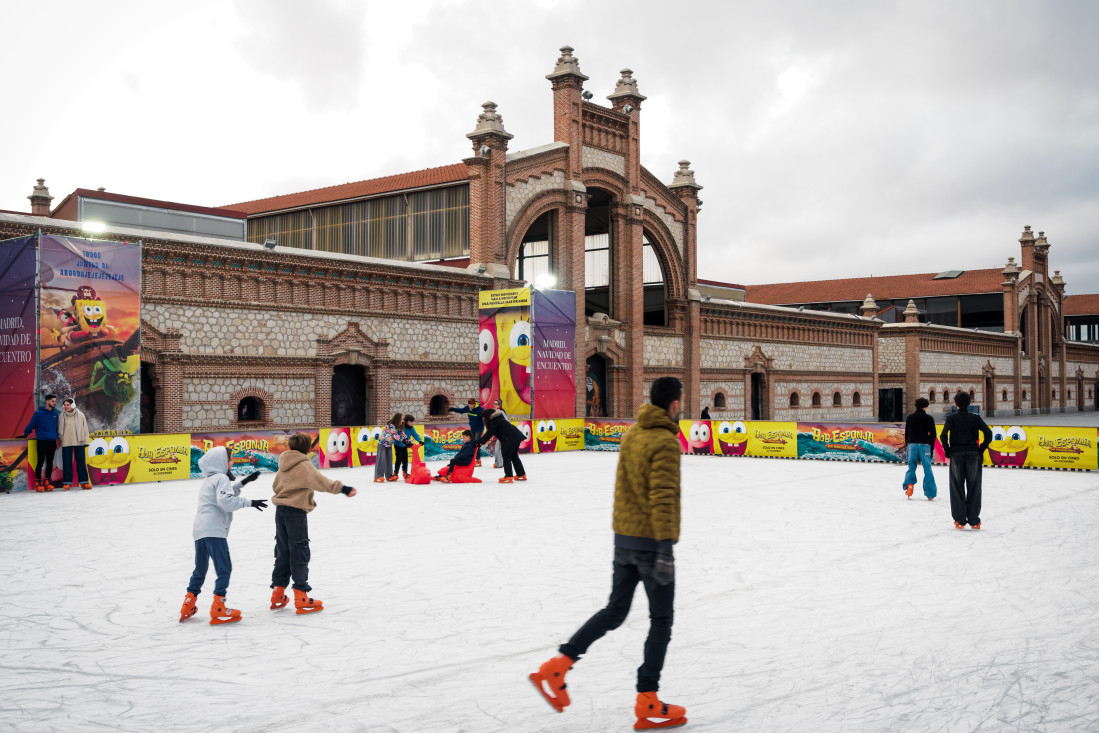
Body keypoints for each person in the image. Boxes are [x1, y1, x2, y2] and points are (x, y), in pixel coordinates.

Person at [530, 376, 687, 730]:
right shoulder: (665, 441)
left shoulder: (633, 433)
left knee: (614, 611)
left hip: (624, 540)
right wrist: (664, 548)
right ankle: (648, 698)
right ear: (674, 404)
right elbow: (662, 496)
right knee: (661, 620)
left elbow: (624, 487)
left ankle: (557, 667)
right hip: (651, 545)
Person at [270, 432, 357, 614]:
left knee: (283, 551)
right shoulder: (304, 465)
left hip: (280, 511)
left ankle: (278, 592)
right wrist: (343, 489)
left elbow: (276, 486)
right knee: (299, 551)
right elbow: (322, 482)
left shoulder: (283, 464)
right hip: (295, 513)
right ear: (308, 448)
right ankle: (301, 595)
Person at [178, 446, 265, 624]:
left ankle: (188, 603)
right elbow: (225, 501)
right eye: (230, 460)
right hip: (214, 530)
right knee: (224, 568)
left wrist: (243, 482)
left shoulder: (209, 480)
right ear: (221, 462)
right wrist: (250, 502)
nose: (232, 463)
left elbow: (223, 495)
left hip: (200, 530)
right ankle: (219, 606)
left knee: (200, 569)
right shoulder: (222, 478)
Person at [940, 391, 993, 530]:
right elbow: (988, 433)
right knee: (974, 486)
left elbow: (943, 435)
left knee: (957, 486)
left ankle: (960, 520)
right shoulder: (975, 418)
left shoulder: (951, 418)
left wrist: (947, 450)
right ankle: (974, 520)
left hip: (956, 455)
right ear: (969, 404)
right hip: (973, 454)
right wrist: (981, 449)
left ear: (955, 404)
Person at [902, 397, 937, 500]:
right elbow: (933, 434)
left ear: (916, 406)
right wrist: (931, 447)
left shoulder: (910, 417)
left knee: (911, 466)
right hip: (925, 445)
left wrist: (908, 444)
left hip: (912, 444)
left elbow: (907, 433)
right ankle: (930, 493)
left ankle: (909, 485)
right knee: (927, 468)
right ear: (926, 406)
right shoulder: (929, 418)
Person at [477, 409, 527, 483]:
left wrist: (480, 442)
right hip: (516, 436)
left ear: (487, 416)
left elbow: (489, 433)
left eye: (484, 417)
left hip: (509, 438)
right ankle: (521, 474)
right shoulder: (498, 418)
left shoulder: (495, 421)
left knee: (506, 456)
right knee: (514, 455)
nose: (483, 419)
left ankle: (509, 476)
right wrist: (481, 442)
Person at [22, 394, 60, 491]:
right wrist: (25, 434)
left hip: (52, 441)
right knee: (40, 462)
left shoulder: (56, 414)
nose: (54, 403)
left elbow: (58, 427)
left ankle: (48, 482)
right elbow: (31, 425)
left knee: (50, 463)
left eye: (55, 401)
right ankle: (38, 482)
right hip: (42, 441)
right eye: (53, 401)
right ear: (47, 401)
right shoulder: (38, 413)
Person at [56, 398, 92, 490]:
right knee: (67, 463)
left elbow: (85, 429)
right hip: (66, 442)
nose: (66, 407)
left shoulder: (80, 415)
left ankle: (84, 482)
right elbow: (59, 428)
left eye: (67, 405)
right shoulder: (62, 416)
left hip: (79, 441)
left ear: (72, 405)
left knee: (81, 462)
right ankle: (67, 482)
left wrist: (86, 441)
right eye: (64, 405)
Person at [375, 412, 412, 483]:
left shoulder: (399, 426)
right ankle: (378, 476)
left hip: (389, 444)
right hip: (382, 443)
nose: (403, 421)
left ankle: (389, 475)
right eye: (402, 419)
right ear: (398, 419)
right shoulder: (391, 426)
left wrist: (407, 440)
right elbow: (395, 435)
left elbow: (402, 434)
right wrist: (404, 441)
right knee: (381, 459)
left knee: (389, 459)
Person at [449, 398, 486, 466]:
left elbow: (486, 417)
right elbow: (461, 410)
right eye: (468, 405)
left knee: (476, 443)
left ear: (474, 404)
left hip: (479, 428)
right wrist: (453, 409)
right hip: (473, 428)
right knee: (471, 443)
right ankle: (472, 459)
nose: (469, 406)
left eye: (471, 405)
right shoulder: (468, 408)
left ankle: (478, 460)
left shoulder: (480, 409)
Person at [396, 414, 422, 480]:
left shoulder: (411, 427)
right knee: (399, 459)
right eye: (410, 422)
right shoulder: (402, 427)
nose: (412, 423)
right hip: (398, 444)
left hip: (405, 445)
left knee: (405, 459)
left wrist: (420, 441)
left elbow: (415, 435)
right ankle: (395, 473)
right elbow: (399, 436)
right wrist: (405, 442)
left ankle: (405, 473)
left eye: (412, 422)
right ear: (406, 421)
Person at [487, 399, 507, 468]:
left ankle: (499, 463)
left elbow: (506, 421)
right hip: (498, 433)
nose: (494, 405)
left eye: (496, 404)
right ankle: (499, 463)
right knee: (498, 448)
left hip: (503, 433)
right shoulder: (494, 412)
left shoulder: (501, 412)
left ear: (499, 405)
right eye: (494, 404)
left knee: (498, 448)